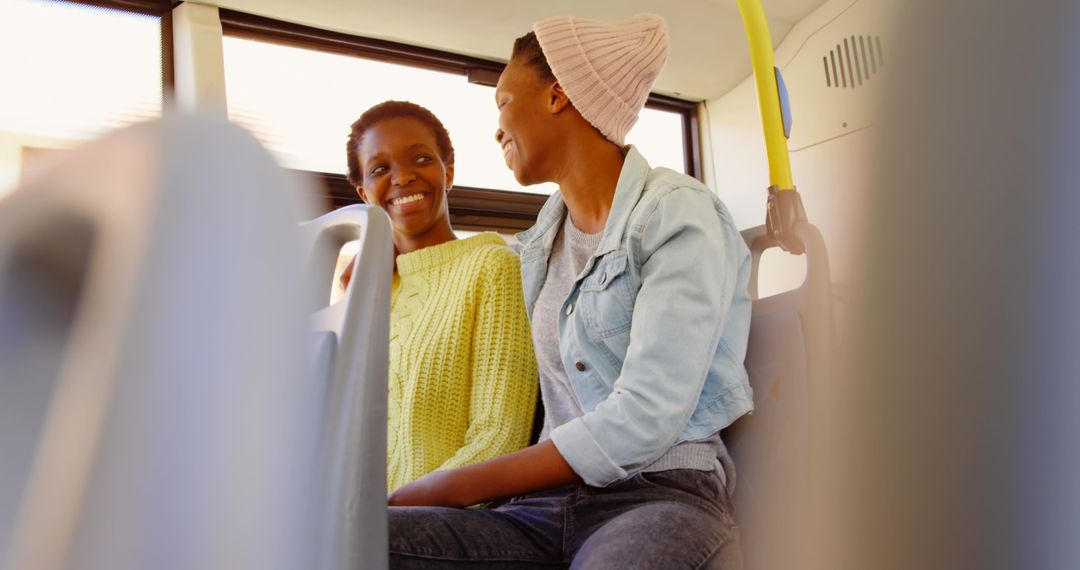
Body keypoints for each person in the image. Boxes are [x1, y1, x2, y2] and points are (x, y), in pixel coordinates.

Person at [385, 14, 753, 569]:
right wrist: (388, 258)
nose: (498, 127)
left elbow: (647, 414)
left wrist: (455, 484)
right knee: (356, 539)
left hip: (656, 495)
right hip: (541, 513)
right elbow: (465, 265)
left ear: (557, 96)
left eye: (504, 102)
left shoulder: (676, 214)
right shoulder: (537, 245)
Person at [342, 100, 538, 493]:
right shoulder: (367, 289)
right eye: (381, 169)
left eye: (420, 159)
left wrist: (388, 514)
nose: (402, 178)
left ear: (448, 172)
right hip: (358, 526)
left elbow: (498, 440)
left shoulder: (493, 268)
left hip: (439, 526)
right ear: (364, 192)